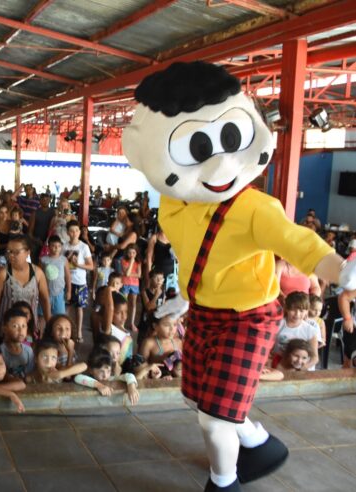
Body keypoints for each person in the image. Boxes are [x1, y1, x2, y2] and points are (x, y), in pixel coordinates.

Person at [122, 61, 356, 491]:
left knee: (212, 421)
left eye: (232, 139)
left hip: (248, 318)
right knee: (197, 397)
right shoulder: (173, 205)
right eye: (199, 149)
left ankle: (224, 482)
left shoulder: (254, 209)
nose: (222, 165)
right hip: (206, 313)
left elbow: (298, 241)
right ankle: (258, 442)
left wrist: (340, 270)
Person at [0, 236, 51, 340]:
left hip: (29, 329)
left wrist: (49, 325)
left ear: (28, 252)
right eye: (9, 251)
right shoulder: (3, 274)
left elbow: (45, 300)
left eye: (16, 252)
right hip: (7, 329)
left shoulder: (38, 273)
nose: (11, 255)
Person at [73, 346, 139, 404]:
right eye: (101, 371)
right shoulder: (88, 379)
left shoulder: (111, 379)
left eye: (108, 371)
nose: (105, 375)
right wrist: (99, 385)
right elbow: (78, 378)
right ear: (91, 370)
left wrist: (131, 387)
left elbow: (129, 375)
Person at [272, 292, 320, 371]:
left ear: (306, 311)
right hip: (279, 365)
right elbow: (270, 349)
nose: (297, 314)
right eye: (293, 310)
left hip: (302, 368)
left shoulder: (310, 331)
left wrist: (300, 370)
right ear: (286, 308)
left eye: (301, 311)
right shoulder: (277, 325)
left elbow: (315, 358)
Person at [63, 221, 94, 341]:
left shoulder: (84, 246)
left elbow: (91, 266)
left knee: (79, 308)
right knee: (67, 307)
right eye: (71, 230)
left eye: (76, 230)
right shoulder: (64, 246)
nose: (74, 233)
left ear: (80, 232)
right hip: (67, 281)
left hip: (80, 281)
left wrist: (78, 265)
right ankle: (68, 330)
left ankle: (79, 331)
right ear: (67, 233)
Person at [139, 311, 183, 378]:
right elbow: (140, 368)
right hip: (155, 382)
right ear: (155, 326)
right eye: (167, 325)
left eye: (175, 324)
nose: (172, 329)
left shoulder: (178, 342)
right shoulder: (149, 343)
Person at [0, 307, 34, 379]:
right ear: (5, 329)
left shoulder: (29, 350)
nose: (20, 330)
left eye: (23, 326)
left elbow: (31, 372)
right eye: (15, 326)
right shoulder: (0, 351)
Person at [40, 235, 71, 316]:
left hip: (59, 293)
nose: (56, 248)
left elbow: (68, 276)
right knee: (43, 315)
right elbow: (40, 276)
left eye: (59, 246)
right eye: (53, 246)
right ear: (48, 246)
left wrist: (69, 291)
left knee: (59, 316)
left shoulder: (64, 260)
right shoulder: (43, 260)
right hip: (45, 293)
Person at [120, 245, 142, 331]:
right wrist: (132, 262)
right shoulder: (124, 260)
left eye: (133, 253)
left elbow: (139, 275)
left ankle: (132, 323)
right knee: (124, 303)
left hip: (135, 284)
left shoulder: (138, 262)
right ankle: (122, 323)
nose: (131, 255)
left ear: (136, 253)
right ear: (127, 253)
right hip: (125, 283)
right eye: (129, 253)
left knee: (133, 304)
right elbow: (127, 274)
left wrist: (130, 273)